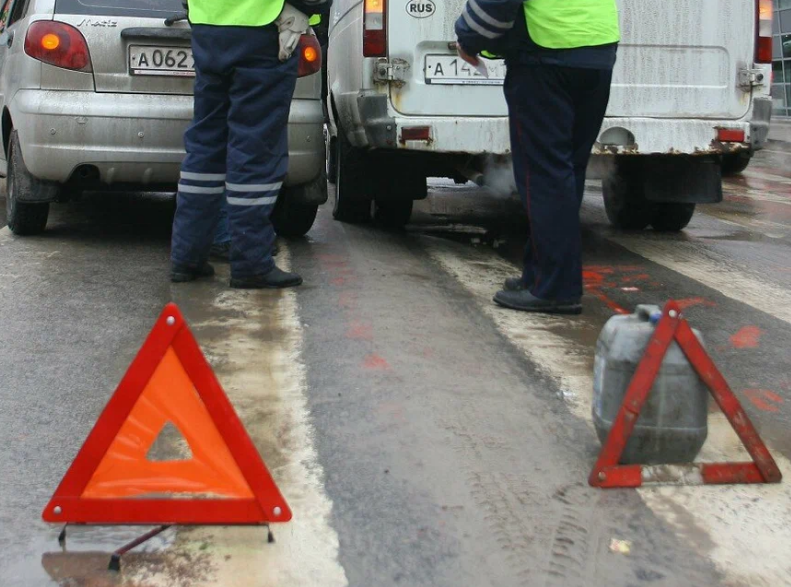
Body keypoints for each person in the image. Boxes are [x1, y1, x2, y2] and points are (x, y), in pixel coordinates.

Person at [455, 0, 619, 314]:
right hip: (597, 53)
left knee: (543, 175)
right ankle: (540, 275)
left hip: (546, 58)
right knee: (568, 170)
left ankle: (555, 288)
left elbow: (496, 5)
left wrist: (467, 38)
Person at [171, 0, 331, 288]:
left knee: (206, 145)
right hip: (264, 27)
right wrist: (306, 7)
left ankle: (187, 257)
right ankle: (251, 263)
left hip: (209, 26)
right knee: (255, 148)